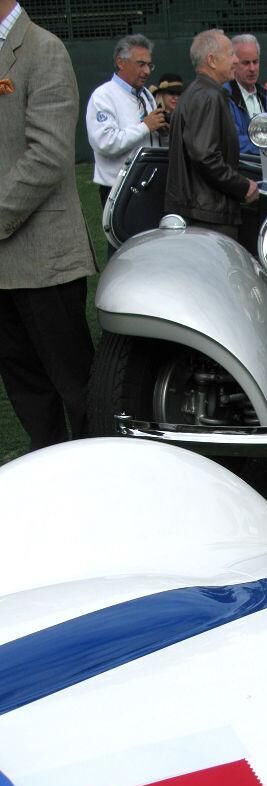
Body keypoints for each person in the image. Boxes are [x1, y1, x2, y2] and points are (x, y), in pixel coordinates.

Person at [0, 0, 96, 451]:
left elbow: (48, 156)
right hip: (6, 267)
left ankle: (105, 481)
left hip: (46, 262)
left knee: (76, 389)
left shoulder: (43, 49)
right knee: (27, 392)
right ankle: (53, 482)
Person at [165, 29, 259, 239]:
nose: (235, 61)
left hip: (203, 211)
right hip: (208, 218)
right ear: (212, 60)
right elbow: (205, 156)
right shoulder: (208, 96)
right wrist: (242, 186)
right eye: (231, 54)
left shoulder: (199, 93)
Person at [86, 34, 167, 207]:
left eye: (149, 65)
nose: (147, 71)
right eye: (141, 64)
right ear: (120, 62)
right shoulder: (103, 96)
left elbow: (151, 138)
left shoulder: (146, 95)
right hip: (119, 188)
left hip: (150, 183)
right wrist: (145, 126)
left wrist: (163, 132)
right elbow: (105, 143)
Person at [225, 33, 267, 156]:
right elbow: (233, 141)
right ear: (234, 63)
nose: (252, 68)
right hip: (244, 170)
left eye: (255, 62)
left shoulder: (265, 95)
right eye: (246, 63)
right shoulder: (226, 97)